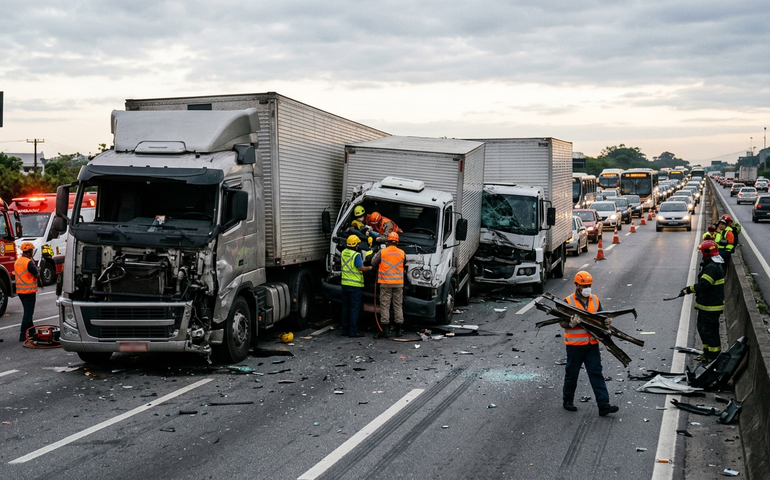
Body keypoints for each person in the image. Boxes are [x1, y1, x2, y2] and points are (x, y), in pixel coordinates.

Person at [560, 271, 619, 416]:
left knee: (596, 373)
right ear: (576, 285)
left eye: (589, 285)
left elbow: (601, 318)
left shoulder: (595, 300)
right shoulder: (567, 301)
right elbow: (562, 322)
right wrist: (571, 323)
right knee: (572, 374)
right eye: (584, 285)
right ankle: (568, 400)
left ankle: (603, 405)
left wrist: (606, 322)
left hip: (591, 345)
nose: (587, 288)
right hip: (574, 347)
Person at [679, 240, 725, 362]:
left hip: (711, 306)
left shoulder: (712, 267)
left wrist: (688, 290)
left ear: (707, 253)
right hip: (705, 305)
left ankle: (714, 357)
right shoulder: (710, 264)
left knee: (710, 332)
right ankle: (707, 353)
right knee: (703, 329)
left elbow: (704, 284)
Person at [371, 232, 405, 337]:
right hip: (398, 283)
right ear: (397, 241)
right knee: (398, 306)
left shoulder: (382, 252)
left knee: (385, 306)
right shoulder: (402, 253)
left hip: (385, 283)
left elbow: (373, 262)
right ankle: (399, 331)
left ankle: (385, 331)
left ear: (388, 241)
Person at [339, 235, 372, 338]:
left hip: (345, 284)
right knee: (354, 309)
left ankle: (345, 330)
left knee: (345, 308)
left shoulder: (343, 252)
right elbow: (360, 267)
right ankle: (353, 332)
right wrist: (370, 267)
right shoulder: (356, 255)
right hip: (355, 286)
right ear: (356, 244)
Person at [15, 242, 40, 342]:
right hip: (29, 291)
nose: (32, 252)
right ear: (29, 252)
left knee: (27, 312)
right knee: (28, 313)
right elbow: (37, 274)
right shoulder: (28, 262)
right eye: (32, 251)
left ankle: (32, 331)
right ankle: (22, 334)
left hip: (20, 292)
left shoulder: (17, 261)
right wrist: (38, 270)